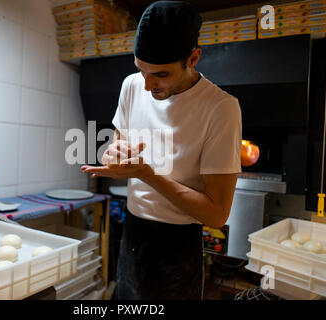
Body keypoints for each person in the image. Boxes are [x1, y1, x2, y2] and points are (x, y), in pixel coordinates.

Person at [81, 1, 242, 300]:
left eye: (161, 75)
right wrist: (113, 159)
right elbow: (118, 150)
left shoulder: (221, 108)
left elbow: (217, 214)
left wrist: (147, 175)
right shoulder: (131, 85)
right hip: (132, 234)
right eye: (141, 71)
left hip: (179, 246)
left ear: (193, 58)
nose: (146, 85)